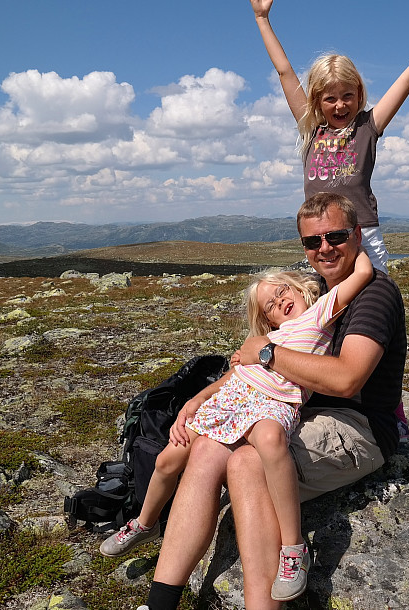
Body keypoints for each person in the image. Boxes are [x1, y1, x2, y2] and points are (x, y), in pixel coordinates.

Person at [139, 193, 407, 610]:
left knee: (248, 462)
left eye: (335, 236)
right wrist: (201, 397)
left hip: (359, 428)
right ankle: (160, 601)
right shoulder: (318, 293)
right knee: (207, 447)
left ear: (357, 235)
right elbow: (256, 363)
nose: (324, 248)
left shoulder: (373, 295)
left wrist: (266, 351)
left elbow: (347, 378)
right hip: (305, 413)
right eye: (311, 242)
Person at [108, 253, 373, 601]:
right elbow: (240, 371)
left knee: (270, 442)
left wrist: (364, 237)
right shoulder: (270, 337)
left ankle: (293, 547)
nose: (279, 302)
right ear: (267, 320)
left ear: (300, 287)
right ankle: (145, 522)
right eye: (270, 306)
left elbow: (363, 273)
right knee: (168, 460)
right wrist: (196, 401)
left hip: (273, 404)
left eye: (281, 292)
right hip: (232, 399)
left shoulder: (318, 314)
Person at [242, 0, 409, 274]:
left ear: (359, 93)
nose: (340, 105)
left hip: (363, 235)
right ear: (316, 101)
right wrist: (262, 19)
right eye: (330, 98)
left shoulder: (368, 126)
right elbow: (285, 71)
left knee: (375, 307)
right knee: (328, 317)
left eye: (347, 95)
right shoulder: (311, 129)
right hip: (322, 241)